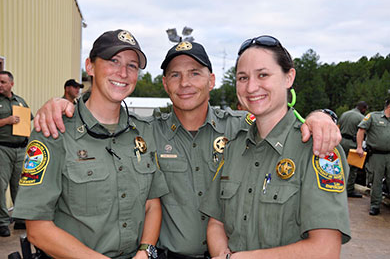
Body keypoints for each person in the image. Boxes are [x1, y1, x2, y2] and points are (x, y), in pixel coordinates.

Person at [33, 41, 341, 259]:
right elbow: (104, 121)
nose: (185, 83)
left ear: (211, 80)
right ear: (165, 84)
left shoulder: (239, 129)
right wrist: (62, 106)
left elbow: (278, 118)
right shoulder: (143, 133)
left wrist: (318, 118)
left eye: (195, 72)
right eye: (175, 75)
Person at [12, 29, 169, 258]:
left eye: (132, 65)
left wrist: (145, 251)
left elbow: (152, 203)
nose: (123, 72)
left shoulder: (143, 132)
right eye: (113, 61)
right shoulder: (53, 130)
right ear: (90, 66)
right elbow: (38, 230)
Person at [200, 35, 350, 259]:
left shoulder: (318, 148)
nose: (251, 87)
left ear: (289, 77)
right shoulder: (233, 147)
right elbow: (216, 222)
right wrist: (223, 254)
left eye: (263, 75)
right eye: (242, 77)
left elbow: (325, 250)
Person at [0, 70, 32, 237]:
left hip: (21, 149)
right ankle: (3, 222)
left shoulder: (20, 101)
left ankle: (20, 219)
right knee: (0, 187)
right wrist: (6, 121)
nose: (0, 85)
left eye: (3, 82)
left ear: (11, 84)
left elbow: (28, 120)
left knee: (21, 186)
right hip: (2, 149)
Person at [356, 98, 390, 216]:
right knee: (376, 180)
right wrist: (359, 147)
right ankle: (375, 205)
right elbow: (361, 130)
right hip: (377, 155)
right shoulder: (373, 117)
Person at [339, 101, 368, 197]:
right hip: (352, 143)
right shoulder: (361, 118)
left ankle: (337, 186)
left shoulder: (344, 114)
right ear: (363, 108)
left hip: (341, 141)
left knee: (340, 164)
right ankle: (349, 189)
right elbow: (363, 132)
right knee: (353, 167)